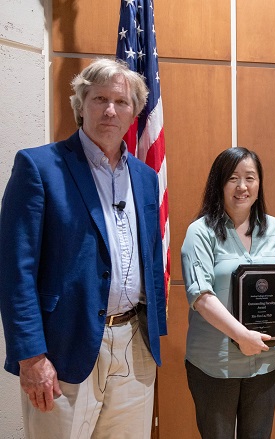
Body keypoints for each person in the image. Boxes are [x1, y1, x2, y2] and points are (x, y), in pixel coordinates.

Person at [0, 58, 167, 438]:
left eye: (121, 102)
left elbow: (152, 257)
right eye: (99, 99)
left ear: (134, 112)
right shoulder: (40, 167)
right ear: (81, 104)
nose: (111, 110)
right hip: (63, 347)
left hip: (134, 345)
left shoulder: (144, 177)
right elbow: (15, 271)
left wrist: (153, 334)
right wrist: (31, 356)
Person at [181, 146, 275, 439]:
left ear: (259, 184)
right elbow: (201, 297)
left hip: (265, 360)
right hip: (215, 365)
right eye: (233, 178)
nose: (242, 186)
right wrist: (240, 335)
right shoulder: (200, 232)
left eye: (250, 177)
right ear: (219, 183)